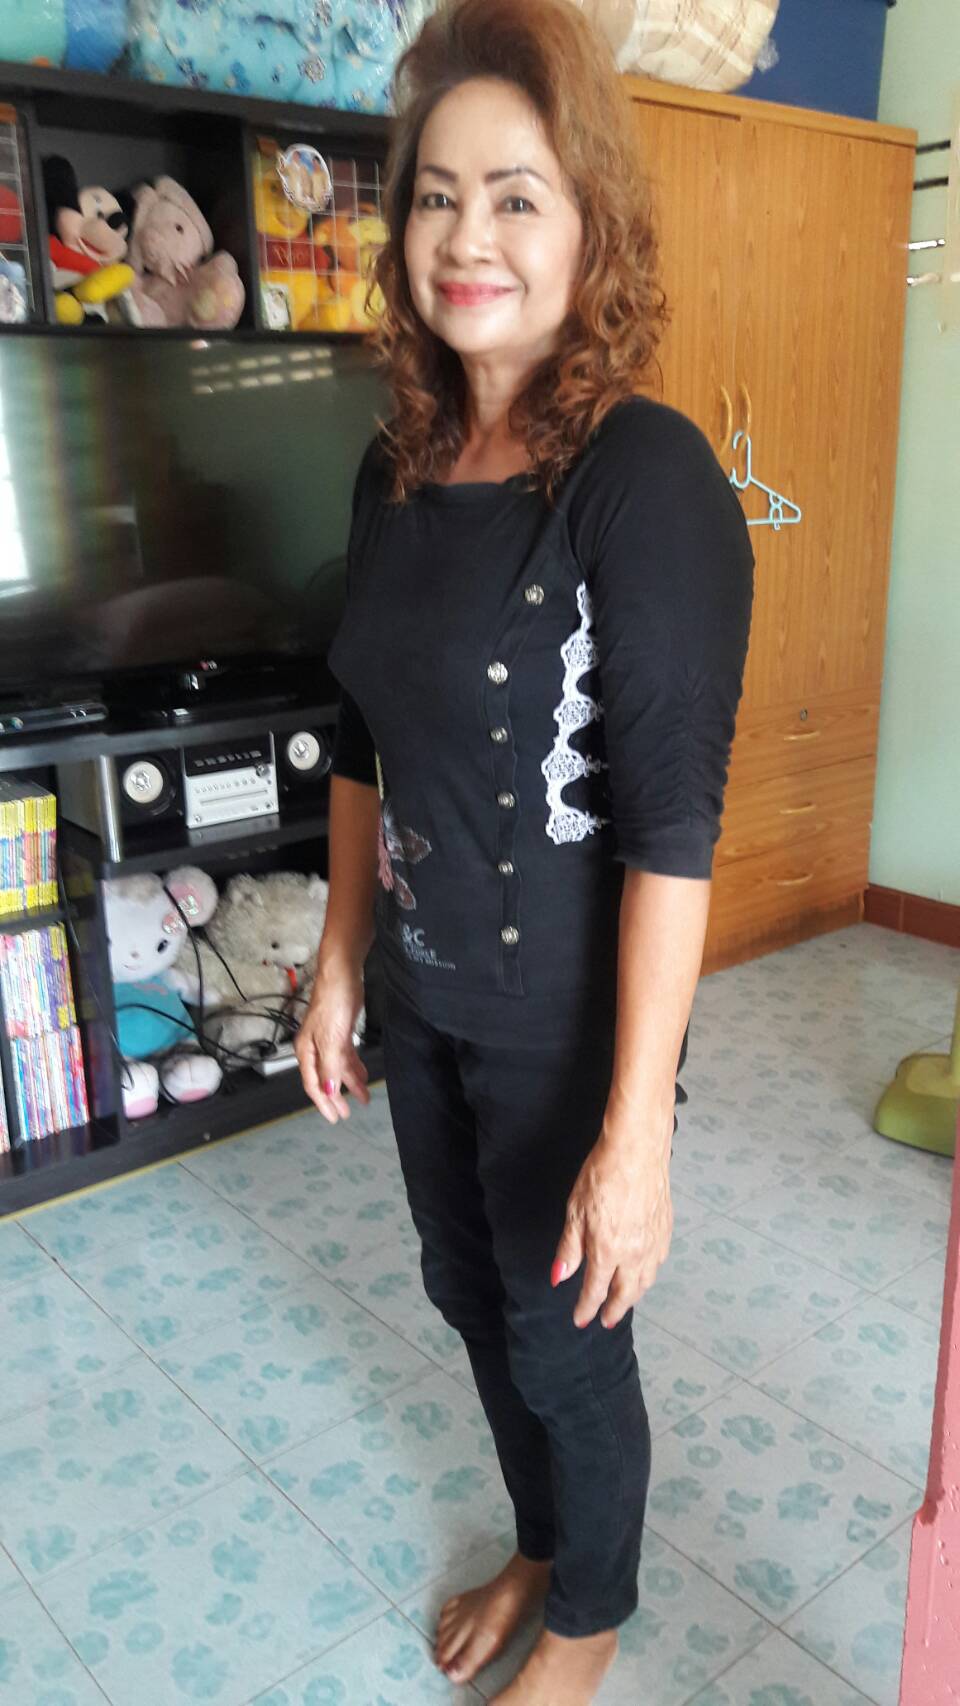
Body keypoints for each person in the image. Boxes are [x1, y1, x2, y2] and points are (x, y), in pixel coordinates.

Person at [294, 1, 754, 1700]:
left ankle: (589, 1619)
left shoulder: (645, 476)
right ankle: (546, 1543)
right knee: (470, 1298)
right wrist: (340, 957)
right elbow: (364, 732)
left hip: (568, 1031)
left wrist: (637, 1134)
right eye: (435, 195)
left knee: (565, 1345)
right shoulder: (397, 465)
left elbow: (674, 831)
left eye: (515, 195)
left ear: (588, 225)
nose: (467, 236)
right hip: (427, 1007)